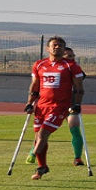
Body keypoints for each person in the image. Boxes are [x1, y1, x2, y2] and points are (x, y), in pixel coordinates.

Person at [24, 36, 85, 180]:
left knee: (42, 135)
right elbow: (35, 86)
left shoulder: (70, 66)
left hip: (59, 106)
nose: (56, 47)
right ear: (48, 48)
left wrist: (77, 104)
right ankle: (43, 166)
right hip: (41, 106)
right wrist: (29, 103)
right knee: (38, 136)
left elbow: (79, 87)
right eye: (54, 45)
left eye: (60, 46)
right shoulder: (39, 64)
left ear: (64, 49)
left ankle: (39, 168)